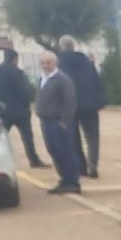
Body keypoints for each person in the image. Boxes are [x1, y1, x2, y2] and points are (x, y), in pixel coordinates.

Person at [0, 50, 44, 167]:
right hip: (20, 111)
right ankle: (33, 160)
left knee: (0, 137)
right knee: (27, 137)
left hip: (2, 111)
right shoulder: (17, 72)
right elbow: (24, 91)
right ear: (15, 58)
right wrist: (26, 104)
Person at [57, 36, 105, 179]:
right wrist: (99, 101)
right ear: (74, 46)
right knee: (92, 137)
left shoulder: (59, 65)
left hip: (69, 106)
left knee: (74, 138)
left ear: (61, 47)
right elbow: (97, 83)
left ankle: (81, 167)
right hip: (89, 105)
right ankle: (93, 166)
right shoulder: (87, 62)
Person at [35, 51, 82, 194]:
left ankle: (73, 182)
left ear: (55, 63)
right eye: (43, 63)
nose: (45, 66)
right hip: (46, 121)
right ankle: (64, 179)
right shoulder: (41, 79)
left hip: (58, 122)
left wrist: (64, 121)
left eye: (48, 63)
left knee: (65, 151)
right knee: (54, 151)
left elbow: (70, 101)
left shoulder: (62, 79)